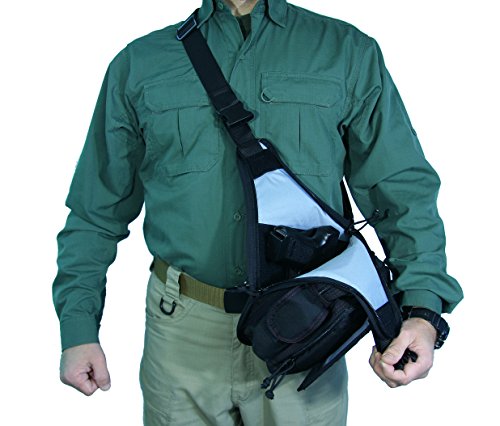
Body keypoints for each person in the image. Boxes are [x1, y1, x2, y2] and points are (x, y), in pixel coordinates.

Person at [53, 0, 463, 424]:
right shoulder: (139, 63)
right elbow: (95, 209)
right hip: (181, 333)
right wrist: (78, 328)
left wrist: (422, 309)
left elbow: (400, 189)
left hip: (307, 325)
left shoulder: (346, 51)